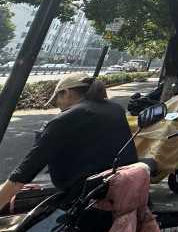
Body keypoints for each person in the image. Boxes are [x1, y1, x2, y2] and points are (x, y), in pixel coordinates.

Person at [0, 73, 138, 210]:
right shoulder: (115, 108)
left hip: (87, 201)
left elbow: (23, 173)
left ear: (66, 92)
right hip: (125, 188)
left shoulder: (65, 119)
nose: (58, 105)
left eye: (57, 99)